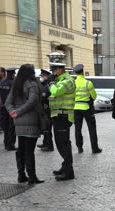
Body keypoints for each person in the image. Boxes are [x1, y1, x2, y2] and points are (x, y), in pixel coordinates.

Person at [5, 64, 45, 185]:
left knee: (21, 149)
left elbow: (7, 102)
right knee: (29, 151)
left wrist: (13, 113)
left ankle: (21, 175)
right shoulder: (32, 84)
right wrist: (19, 112)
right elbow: (32, 101)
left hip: (18, 123)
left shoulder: (16, 85)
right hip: (31, 121)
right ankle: (32, 177)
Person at [47, 52, 76, 181]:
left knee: (63, 145)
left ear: (61, 69)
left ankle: (69, 172)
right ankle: (65, 167)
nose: (53, 72)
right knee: (61, 144)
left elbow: (56, 91)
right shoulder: (59, 80)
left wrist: (51, 84)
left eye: (54, 69)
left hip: (63, 116)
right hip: (58, 116)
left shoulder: (67, 81)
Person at [73, 64, 102, 154]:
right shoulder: (88, 83)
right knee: (91, 128)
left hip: (76, 108)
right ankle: (94, 148)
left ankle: (79, 147)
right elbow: (94, 96)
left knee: (78, 128)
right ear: (82, 72)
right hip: (86, 108)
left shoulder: (73, 83)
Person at [0, 67, 17, 151]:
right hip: (11, 108)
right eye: (14, 74)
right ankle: (11, 144)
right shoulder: (13, 83)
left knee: (6, 127)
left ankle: (6, 144)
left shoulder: (1, 83)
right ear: (12, 74)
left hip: (3, 107)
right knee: (11, 127)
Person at [37, 69, 54, 152]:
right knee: (45, 128)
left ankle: (49, 145)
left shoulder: (48, 86)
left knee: (47, 128)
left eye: (42, 76)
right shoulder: (43, 85)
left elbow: (44, 97)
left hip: (48, 109)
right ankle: (45, 143)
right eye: (41, 76)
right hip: (44, 110)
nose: (41, 77)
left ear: (47, 77)